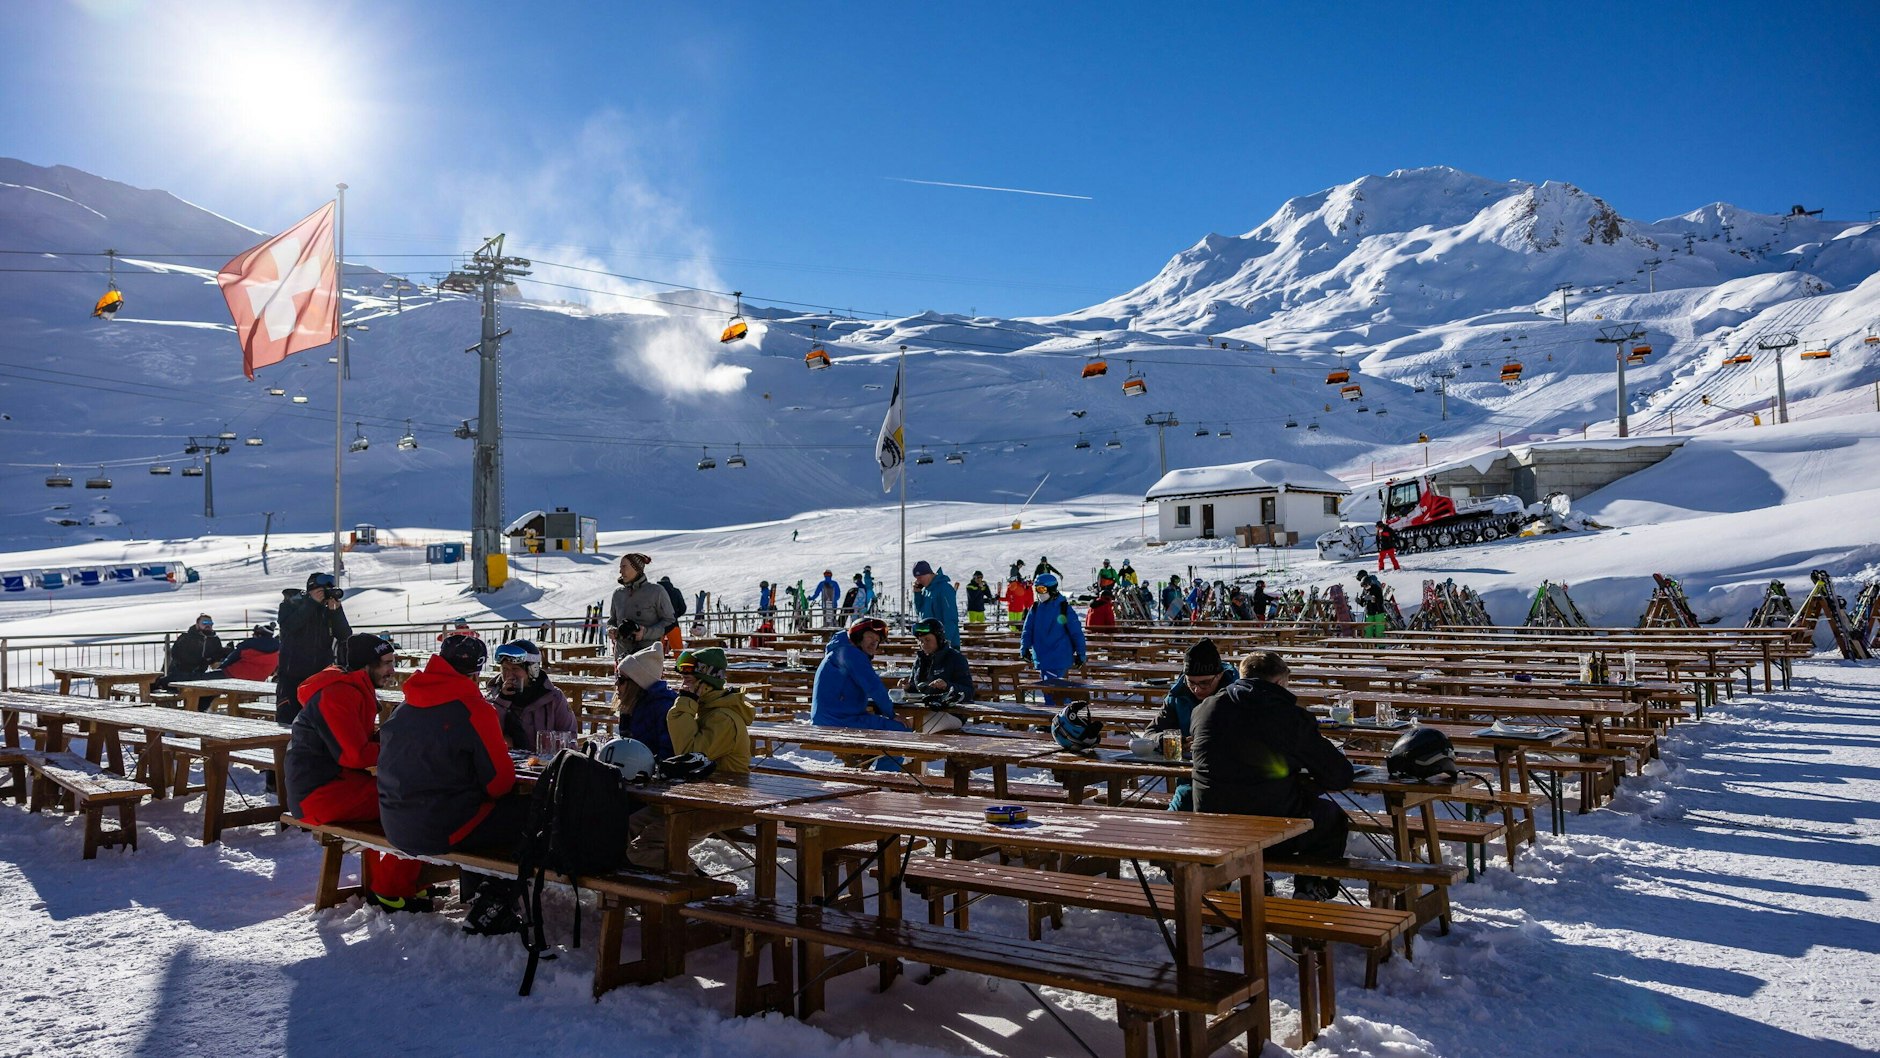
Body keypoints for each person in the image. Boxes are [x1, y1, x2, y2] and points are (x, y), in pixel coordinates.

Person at [378, 635, 530, 933]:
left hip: (395, 825)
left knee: (480, 811)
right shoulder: (475, 710)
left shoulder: (406, 706)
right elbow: (499, 784)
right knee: (529, 815)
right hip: (439, 828)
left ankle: (483, 889)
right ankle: (494, 899)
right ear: (476, 673)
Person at [1191, 651, 1354, 901]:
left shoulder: (1205, 709)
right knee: (1330, 817)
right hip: (1269, 830)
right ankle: (1311, 887)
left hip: (1212, 827)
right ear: (1279, 681)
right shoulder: (1287, 715)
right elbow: (1339, 775)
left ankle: (1241, 882)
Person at [286, 633, 427, 912]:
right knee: (416, 802)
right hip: (319, 794)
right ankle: (391, 890)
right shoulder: (339, 693)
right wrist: (401, 750)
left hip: (331, 786)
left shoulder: (352, 687)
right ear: (366, 665)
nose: (392, 670)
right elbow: (353, 755)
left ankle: (395, 882)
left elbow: (356, 744)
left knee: (405, 795)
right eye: (386, 663)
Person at [626, 647, 756, 870]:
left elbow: (689, 753)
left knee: (643, 849)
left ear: (707, 683)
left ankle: (694, 881)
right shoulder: (704, 709)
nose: (683, 686)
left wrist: (684, 704)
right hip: (696, 798)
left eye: (689, 680)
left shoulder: (723, 719)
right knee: (627, 826)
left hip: (721, 804)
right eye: (683, 680)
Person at [1148, 639, 1239, 811]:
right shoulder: (1177, 696)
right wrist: (1170, 740)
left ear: (1219, 675)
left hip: (1232, 781)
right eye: (1191, 682)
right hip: (1188, 781)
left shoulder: (1237, 696)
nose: (1197, 689)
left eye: (1204, 683)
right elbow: (1151, 732)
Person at [277, 572, 352, 726]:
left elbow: (345, 635)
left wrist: (337, 612)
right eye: (323, 590)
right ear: (311, 589)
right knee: (289, 724)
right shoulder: (290, 605)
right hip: (292, 677)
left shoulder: (327, 610)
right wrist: (311, 603)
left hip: (320, 677)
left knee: (320, 725)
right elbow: (289, 627)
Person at [810, 617, 908, 734]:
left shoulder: (840, 650)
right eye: (870, 637)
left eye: (877, 640)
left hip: (830, 718)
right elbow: (874, 686)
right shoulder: (851, 654)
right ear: (858, 637)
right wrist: (892, 714)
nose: (874, 643)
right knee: (901, 729)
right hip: (838, 721)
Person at [485, 640, 577, 752]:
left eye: (515, 669)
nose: (509, 675)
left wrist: (550, 749)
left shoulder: (553, 698)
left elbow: (570, 738)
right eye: (505, 669)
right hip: (507, 761)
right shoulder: (494, 697)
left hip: (544, 760)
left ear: (532, 671)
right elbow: (486, 734)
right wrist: (502, 701)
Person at [1020, 572, 1086, 705]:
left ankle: (1059, 714)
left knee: (1054, 693)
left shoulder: (1063, 608)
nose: (1039, 593)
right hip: (1042, 657)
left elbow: (1076, 633)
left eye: (1042, 589)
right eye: (1037, 589)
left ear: (1052, 589)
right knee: (1050, 692)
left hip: (1059, 657)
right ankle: (1061, 713)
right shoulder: (1036, 608)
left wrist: (1081, 654)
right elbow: (1028, 630)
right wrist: (1025, 648)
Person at [614, 644, 676, 759]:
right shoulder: (631, 705)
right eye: (616, 676)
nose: (616, 683)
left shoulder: (664, 708)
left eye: (621, 679)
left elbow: (668, 755)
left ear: (637, 683)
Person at [609, 553, 675, 659]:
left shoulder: (656, 591)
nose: (620, 571)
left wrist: (645, 633)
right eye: (620, 567)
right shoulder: (618, 594)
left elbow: (670, 622)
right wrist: (612, 630)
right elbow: (612, 620)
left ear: (636, 568)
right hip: (622, 657)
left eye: (624, 567)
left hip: (648, 657)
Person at [905, 618, 975, 702]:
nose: (923, 644)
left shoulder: (955, 658)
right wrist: (908, 686)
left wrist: (947, 686)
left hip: (952, 707)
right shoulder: (920, 659)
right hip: (925, 707)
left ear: (939, 639)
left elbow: (969, 692)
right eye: (920, 641)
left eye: (928, 640)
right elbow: (918, 688)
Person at [158, 613, 224, 691]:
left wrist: (214, 659)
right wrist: (199, 661)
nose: (208, 625)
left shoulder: (214, 639)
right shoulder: (186, 637)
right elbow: (176, 654)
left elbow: (217, 655)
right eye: (204, 623)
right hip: (180, 672)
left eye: (210, 623)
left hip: (200, 673)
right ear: (197, 624)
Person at [911, 560, 960, 648]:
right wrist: (917, 594)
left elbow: (951, 619)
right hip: (929, 643)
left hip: (945, 644)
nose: (918, 581)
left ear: (928, 574)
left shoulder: (944, 589)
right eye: (916, 578)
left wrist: (944, 641)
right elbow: (921, 614)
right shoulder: (926, 591)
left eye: (920, 577)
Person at [214, 623, 281, 684]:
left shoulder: (248, 645)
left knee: (208, 678)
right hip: (258, 681)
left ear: (259, 635)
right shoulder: (278, 650)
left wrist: (220, 666)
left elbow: (231, 659)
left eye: (254, 634)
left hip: (234, 675)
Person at [657, 575, 688, 653]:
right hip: (673, 624)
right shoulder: (675, 591)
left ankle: (657, 661)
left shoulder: (656, 592)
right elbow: (683, 608)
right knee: (678, 650)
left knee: (656, 650)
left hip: (658, 625)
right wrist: (675, 615)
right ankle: (679, 661)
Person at [1358, 573, 1388, 638]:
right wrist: (1359, 601)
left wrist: (1373, 599)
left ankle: (1380, 643)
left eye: (1365, 585)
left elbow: (1380, 601)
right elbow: (1363, 602)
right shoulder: (1365, 590)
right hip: (1369, 612)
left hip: (1378, 612)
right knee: (1368, 630)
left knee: (1379, 630)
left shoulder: (1377, 588)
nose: (1365, 587)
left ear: (1369, 583)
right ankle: (1368, 642)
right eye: (1363, 586)